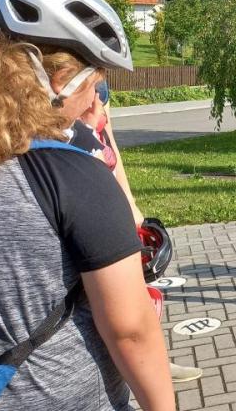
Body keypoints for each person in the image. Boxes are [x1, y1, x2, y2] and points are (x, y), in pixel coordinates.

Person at [0, 0, 175, 411]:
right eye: (94, 86)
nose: (93, 104)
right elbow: (130, 331)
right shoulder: (69, 174)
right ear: (56, 82)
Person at [70, 81, 204, 383]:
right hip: (78, 195)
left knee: (137, 286)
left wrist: (129, 203)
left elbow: (109, 140)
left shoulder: (99, 85)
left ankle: (154, 361)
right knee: (97, 296)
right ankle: (115, 368)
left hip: (107, 192)